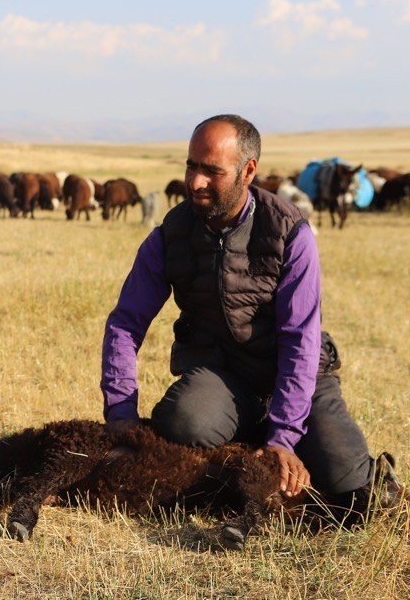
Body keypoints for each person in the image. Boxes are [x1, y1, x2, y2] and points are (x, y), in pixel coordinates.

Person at [100, 114, 395, 513]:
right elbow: (125, 322)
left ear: (247, 171)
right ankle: (249, 440)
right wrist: (120, 414)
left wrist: (284, 438)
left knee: (347, 478)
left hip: (294, 376)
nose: (195, 182)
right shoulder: (170, 234)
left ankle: (341, 463)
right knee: (183, 423)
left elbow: (300, 340)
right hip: (225, 375)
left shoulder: (290, 233)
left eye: (211, 171)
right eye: (191, 166)